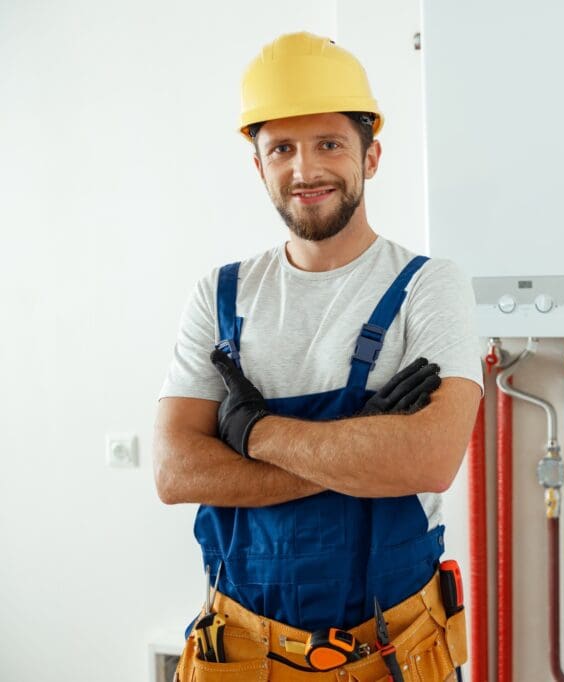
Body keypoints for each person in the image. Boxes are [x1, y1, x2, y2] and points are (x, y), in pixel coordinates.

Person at [153, 31, 481, 681]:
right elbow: (176, 470)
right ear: (259, 165)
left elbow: (430, 459)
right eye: (282, 149)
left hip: (392, 653)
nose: (305, 170)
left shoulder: (430, 286)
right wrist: (362, 452)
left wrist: (253, 432)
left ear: (372, 155)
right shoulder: (220, 296)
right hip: (244, 654)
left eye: (329, 143)